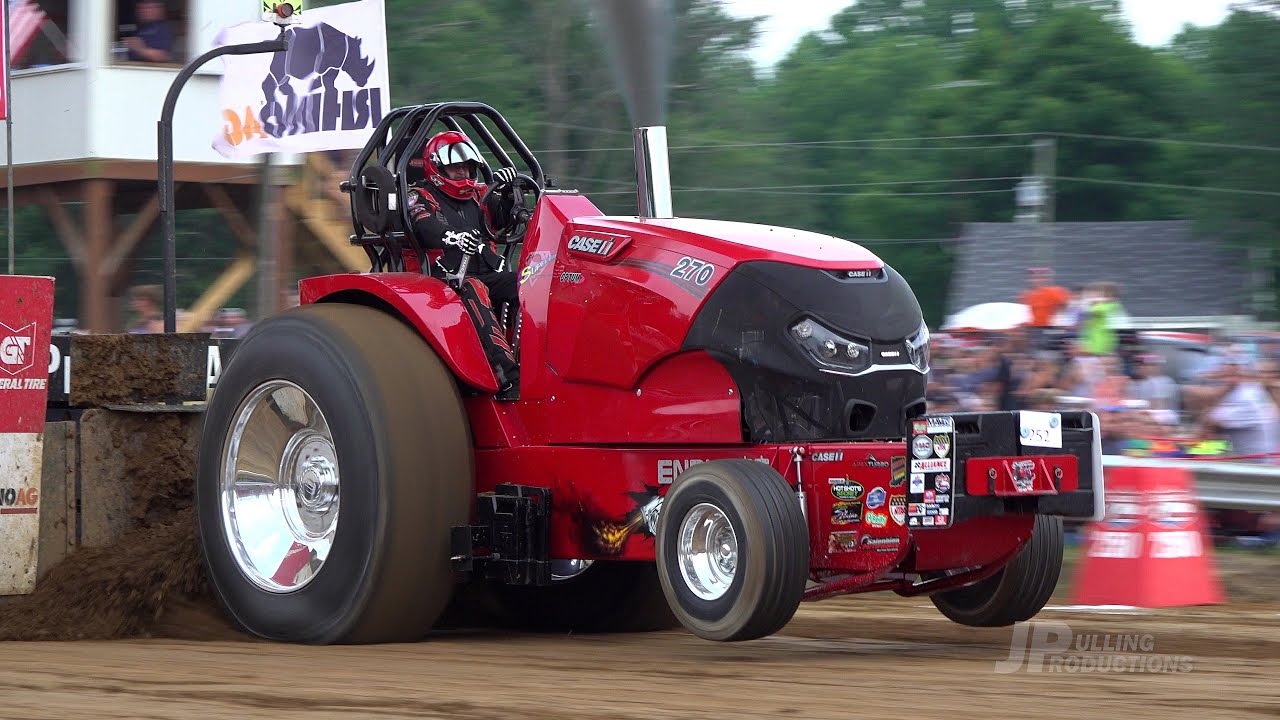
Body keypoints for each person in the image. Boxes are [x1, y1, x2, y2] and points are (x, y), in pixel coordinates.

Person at [406, 130, 523, 393]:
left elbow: (507, 219)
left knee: (527, 284)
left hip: (487, 274)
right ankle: (506, 375)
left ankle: (537, 362)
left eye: (466, 167)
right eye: (455, 168)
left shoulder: (480, 194)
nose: (462, 173)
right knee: (475, 288)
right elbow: (423, 225)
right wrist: (451, 237)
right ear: (437, 168)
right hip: (446, 281)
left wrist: (509, 193)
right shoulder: (420, 195)